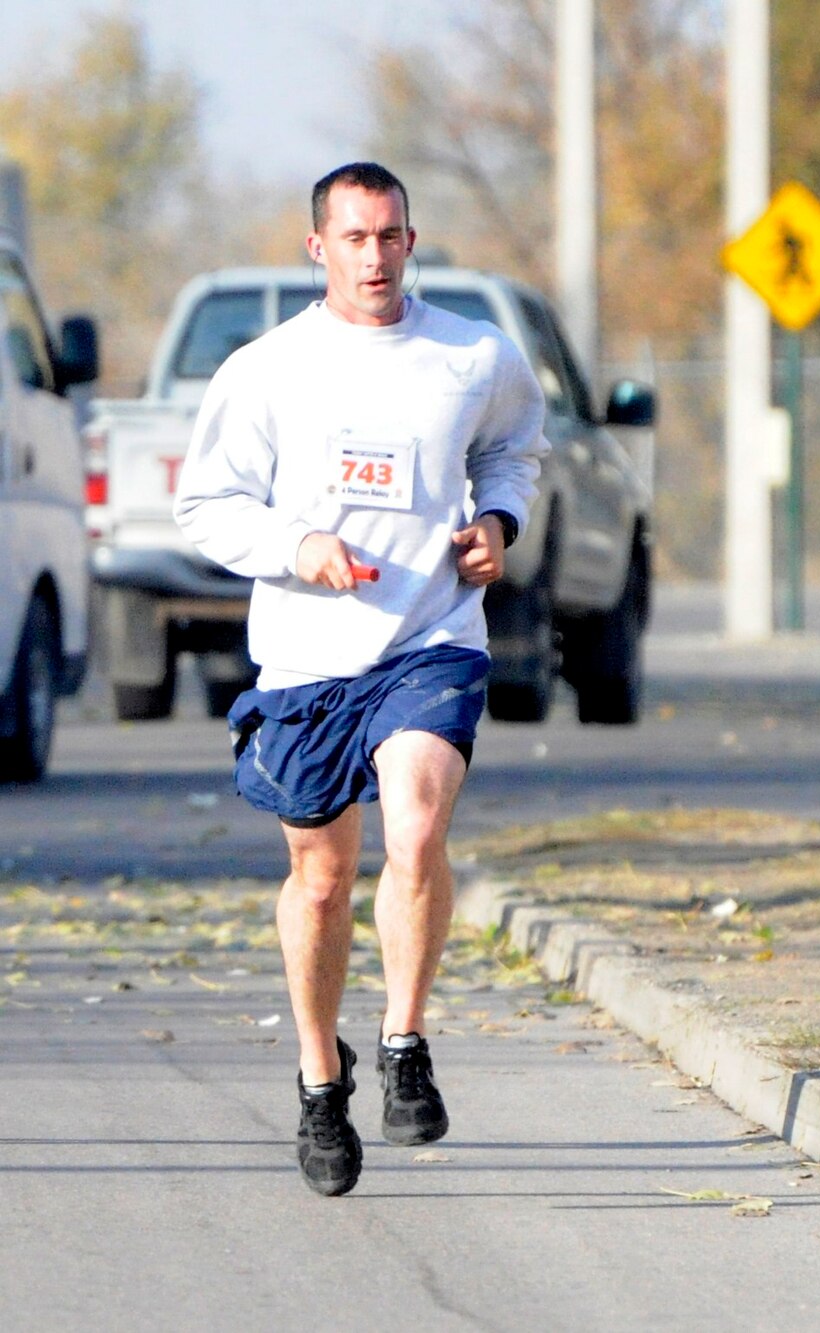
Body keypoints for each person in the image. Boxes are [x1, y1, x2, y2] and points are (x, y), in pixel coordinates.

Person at [174, 162, 547, 1197]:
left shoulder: (471, 354)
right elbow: (206, 507)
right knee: (322, 878)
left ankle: (403, 1039)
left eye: (389, 237)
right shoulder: (266, 369)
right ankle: (318, 1074)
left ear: (411, 243)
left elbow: (517, 447)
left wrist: (495, 523)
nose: (374, 257)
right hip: (305, 659)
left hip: (430, 639)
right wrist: (298, 549)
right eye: (354, 238)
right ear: (317, 248)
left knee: (418, 826)